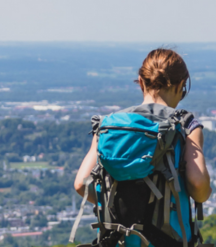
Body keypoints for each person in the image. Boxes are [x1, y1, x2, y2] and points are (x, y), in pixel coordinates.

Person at [74, 48, 212, 246]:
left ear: (140, 81)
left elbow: (81, 184)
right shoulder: (186, 125)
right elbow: (198, 185)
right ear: (182, 85)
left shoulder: (108, 126)